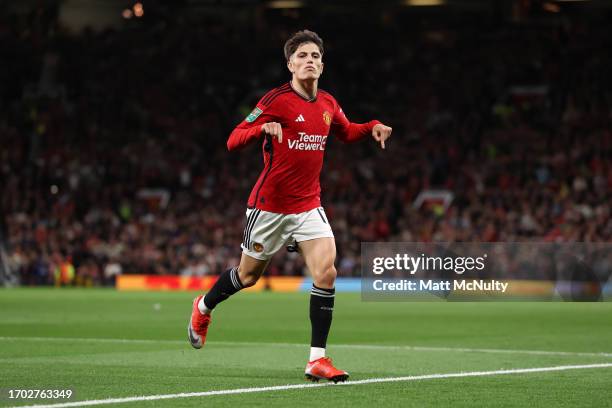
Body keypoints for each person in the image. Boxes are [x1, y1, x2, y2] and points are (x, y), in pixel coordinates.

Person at [188, 29, 392, 383]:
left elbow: (346, 131)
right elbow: (233, 139)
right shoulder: (275, 101)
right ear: (290, 65)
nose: (309, 60)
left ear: (322, 64)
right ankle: (203, 307)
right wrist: (262, 128)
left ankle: (317, 359)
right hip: (269, 207)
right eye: (302, 56)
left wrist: (372, 125)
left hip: (308, 205)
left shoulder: (328, 103)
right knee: (248, 276)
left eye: (315, 56)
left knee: (327, 273)